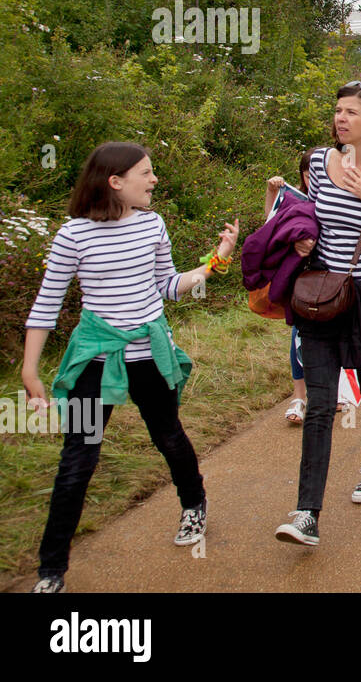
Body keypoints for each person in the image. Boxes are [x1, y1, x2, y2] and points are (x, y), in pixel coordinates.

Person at [23, 142, 239, 592]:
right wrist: (30, 371)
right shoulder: (73, 234)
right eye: (146, 172)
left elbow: (167, 285)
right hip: (93, 361)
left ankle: (194, 504)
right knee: (77, 460)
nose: (154, 179)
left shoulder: (152, 224)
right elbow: (47, 303)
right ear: (115, 181)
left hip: (149, 356)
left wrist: (216, 259)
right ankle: (51, 571)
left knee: (168, 435)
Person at [274, 81, 361, 548]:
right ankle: (306, 513)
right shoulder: (318, 161)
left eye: (351, 112)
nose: (340, 119)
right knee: (319, 404)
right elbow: (312, 216)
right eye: (337, 110)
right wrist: (302, 238)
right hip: (320, 294)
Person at [264, 149, 314, 424]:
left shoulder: (341, 198)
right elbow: (272, 226)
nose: (312, 178)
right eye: (307, 173)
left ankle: (344, 391)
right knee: (298, 332)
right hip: (301, 281)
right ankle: (299, 397)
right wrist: (272, 194)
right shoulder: (296, 200)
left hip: (336, 280)